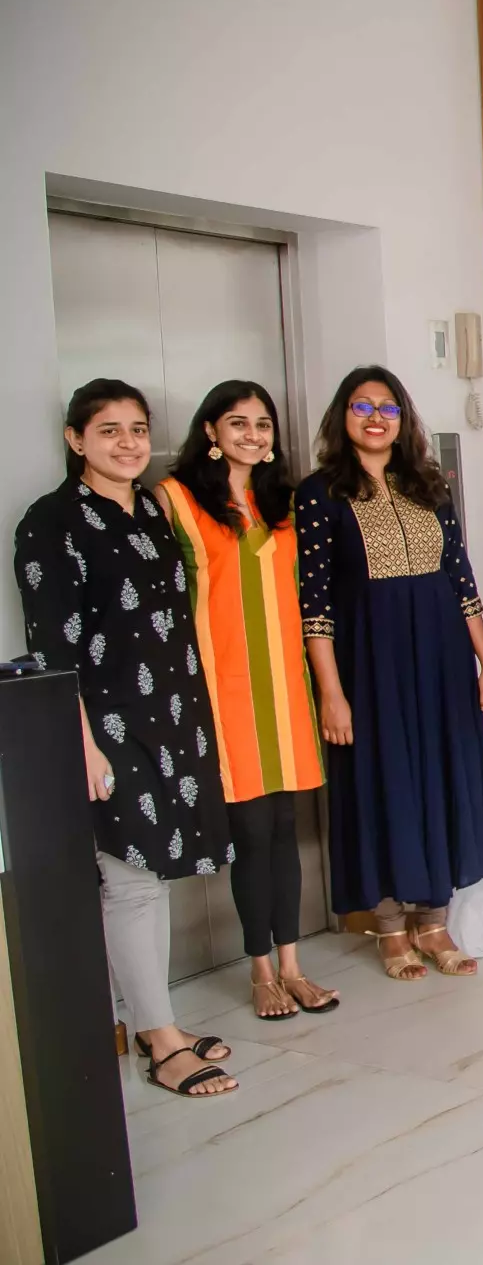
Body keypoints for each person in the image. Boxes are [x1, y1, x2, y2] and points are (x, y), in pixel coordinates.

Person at [14, 380, 237, 1096]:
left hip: (170, 718)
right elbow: (53, 651)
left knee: (152, 876)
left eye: (137, 429)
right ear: (76, 439)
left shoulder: (149, 510)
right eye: (108, 430)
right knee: (131, 880)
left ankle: (152, 1020)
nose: (127, 442)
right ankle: (162, 1043)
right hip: (105, 727)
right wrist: (82, 745)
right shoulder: (51, 523)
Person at [298, 366, 483, 981]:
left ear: (403, 419)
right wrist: (330, 692)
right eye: (361, 406)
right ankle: (390, 927)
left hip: (440, 656)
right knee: (382, 780)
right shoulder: (320, 494)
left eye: (387, 408)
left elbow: (461, 579)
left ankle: (434, 920)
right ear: (342, 416)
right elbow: (315, 603)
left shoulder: (429, 485)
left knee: (440, 773)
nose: (375, 418)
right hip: (370, 661)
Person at [161, 381, 338, 1020]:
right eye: (237, 422)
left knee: (287, 829)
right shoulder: (176, 499)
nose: (253, 435)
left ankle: (293, 966)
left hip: (285, 685)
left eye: (263, 424)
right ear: (211, 430)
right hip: (222, 689)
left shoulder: (284, 503)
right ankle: (260, 969)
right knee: (251, 831)